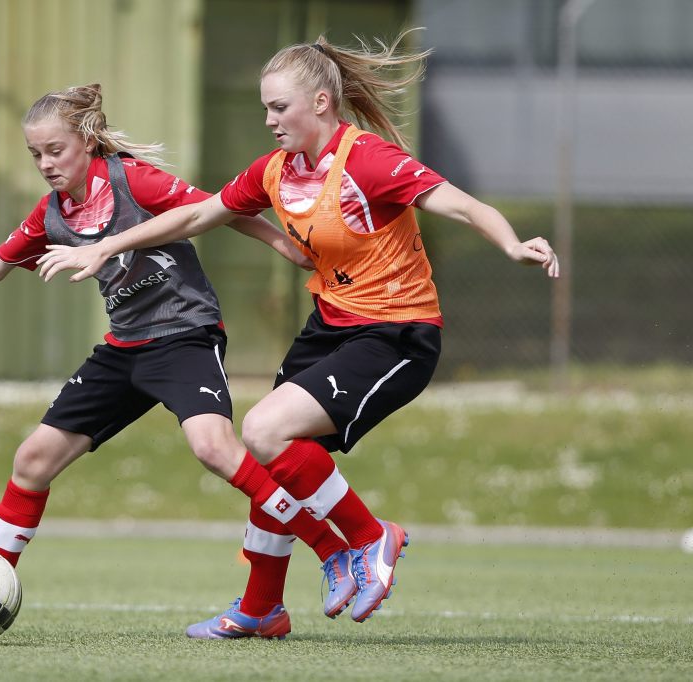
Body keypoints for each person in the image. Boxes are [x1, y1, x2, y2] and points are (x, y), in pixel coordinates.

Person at [36, 32, 560, 639]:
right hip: (330, 326)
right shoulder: (276, 171)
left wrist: (513, 244)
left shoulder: (369, 160)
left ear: (319, 103)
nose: (268, 120)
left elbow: (464, 206)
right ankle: (262, 607)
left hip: (395, 332)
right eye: (264, 108)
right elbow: (200, 214)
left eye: (278, 108)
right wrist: (107, 245)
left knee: (262, 430)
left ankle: (369, 538)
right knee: (269, 449)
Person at [0, 84, 364, 640]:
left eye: (56, 150)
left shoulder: (133, 180)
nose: (46, 164)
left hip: (184, 337)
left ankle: (333, 551)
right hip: (123, 350)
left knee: (214, 448)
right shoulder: (52, 214)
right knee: (32, 460)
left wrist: (281, 243)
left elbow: (218, 208)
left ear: (87, 141)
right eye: (35, 155)